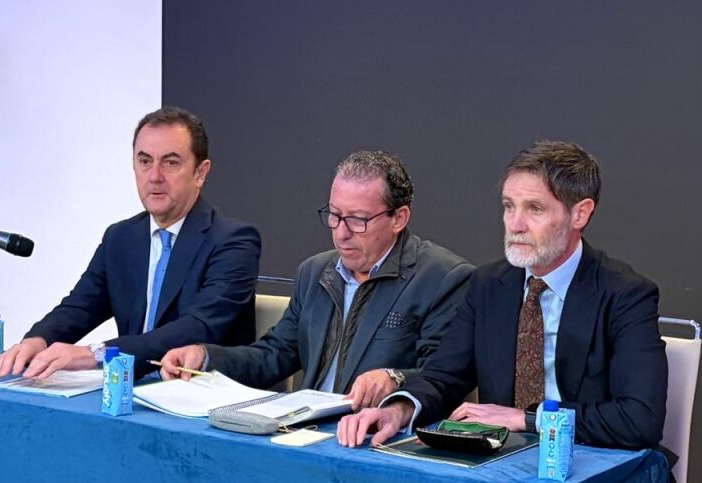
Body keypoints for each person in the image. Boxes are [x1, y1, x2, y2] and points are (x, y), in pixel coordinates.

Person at [336, 140, 686, 483]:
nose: (515, 224)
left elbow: (638, 420)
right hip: (500, 477)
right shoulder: (489, 285)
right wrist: (399, 408)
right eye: (508, 206)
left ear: (580, 213)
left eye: (534, 209)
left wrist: (527, 419)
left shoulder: (625, 294)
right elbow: (443, 376)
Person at [160, 150, 473, 409]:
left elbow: (442, 378)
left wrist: (395, 378)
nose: (341, 233)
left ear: (399, 218)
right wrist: (206, 357)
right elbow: (274, 355)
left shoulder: (442, 278)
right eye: (334, 215)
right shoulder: (314, 272)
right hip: (304, 427)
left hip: (375, 437)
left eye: (357, 220)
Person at [0, 106, 261, 380]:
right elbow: (80, 307)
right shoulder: (121, 237)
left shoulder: (234, 241)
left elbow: (196, 328)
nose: (154, 176)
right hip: (129, 389)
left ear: (200, 173)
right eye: (145, 161)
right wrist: (38, 340)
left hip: (202, 392)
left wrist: (96, 354)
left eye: (170, 163)